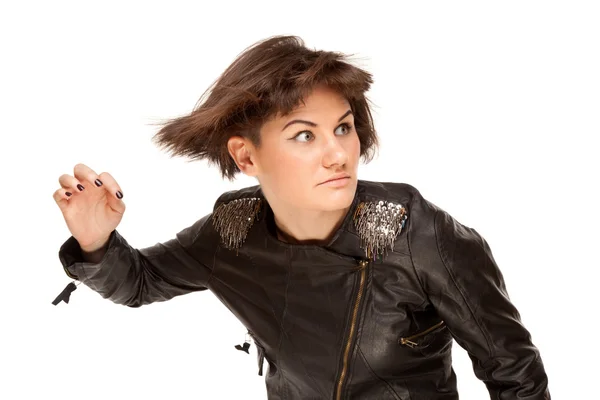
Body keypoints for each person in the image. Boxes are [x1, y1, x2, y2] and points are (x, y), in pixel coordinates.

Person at [52, 35, 550, 399]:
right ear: (246, 157)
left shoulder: (416, 231)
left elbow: (515, 375)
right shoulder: (234, 231)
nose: (339, 154)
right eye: (305, 135)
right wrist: (96, 241)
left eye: (344, 127)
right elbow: (140, 282)